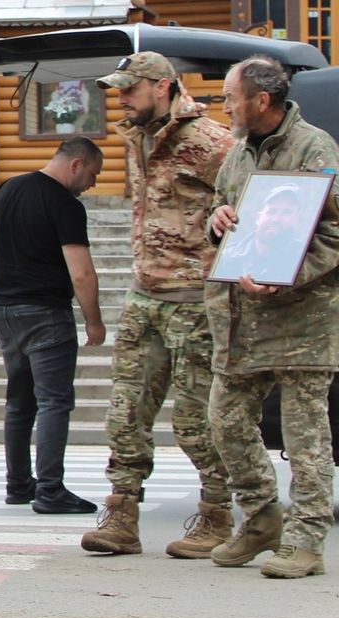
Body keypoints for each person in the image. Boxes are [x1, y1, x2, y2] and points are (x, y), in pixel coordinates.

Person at [80, 52, 235, 558]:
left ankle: (217, 516)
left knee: (195, 419)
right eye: (120, 89)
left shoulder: (211, 142)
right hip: (145, 295)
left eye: (131, 89)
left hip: (197, 300)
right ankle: (122, 516)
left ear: (164, 87)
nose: (121, 98)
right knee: (125, 414)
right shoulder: (139, 137)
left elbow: (255, 203)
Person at [203, 55, 339, 579]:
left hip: (301, 320)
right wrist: (216, 222)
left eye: (229, 97)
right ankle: (262, 518)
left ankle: (305, 543)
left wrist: (289, 272)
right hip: (241, 319)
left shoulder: (315, 148)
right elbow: (221, 211)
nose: (225, 106)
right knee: (225, 420)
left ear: (261, 101)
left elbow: (332, 233)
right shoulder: (237, 154)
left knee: (306, 436)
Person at [0, 136, 107, 515]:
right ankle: (50, 489)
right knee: (54, 401)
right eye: (92, 174)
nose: (93, 183)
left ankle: (19, 484)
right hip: (46, 312)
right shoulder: (65, 205)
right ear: (75, 164)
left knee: (19, 400)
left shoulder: (8, 188)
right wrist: (94, 321)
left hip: (6, 308)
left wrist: (2, 288)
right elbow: (81, 272)